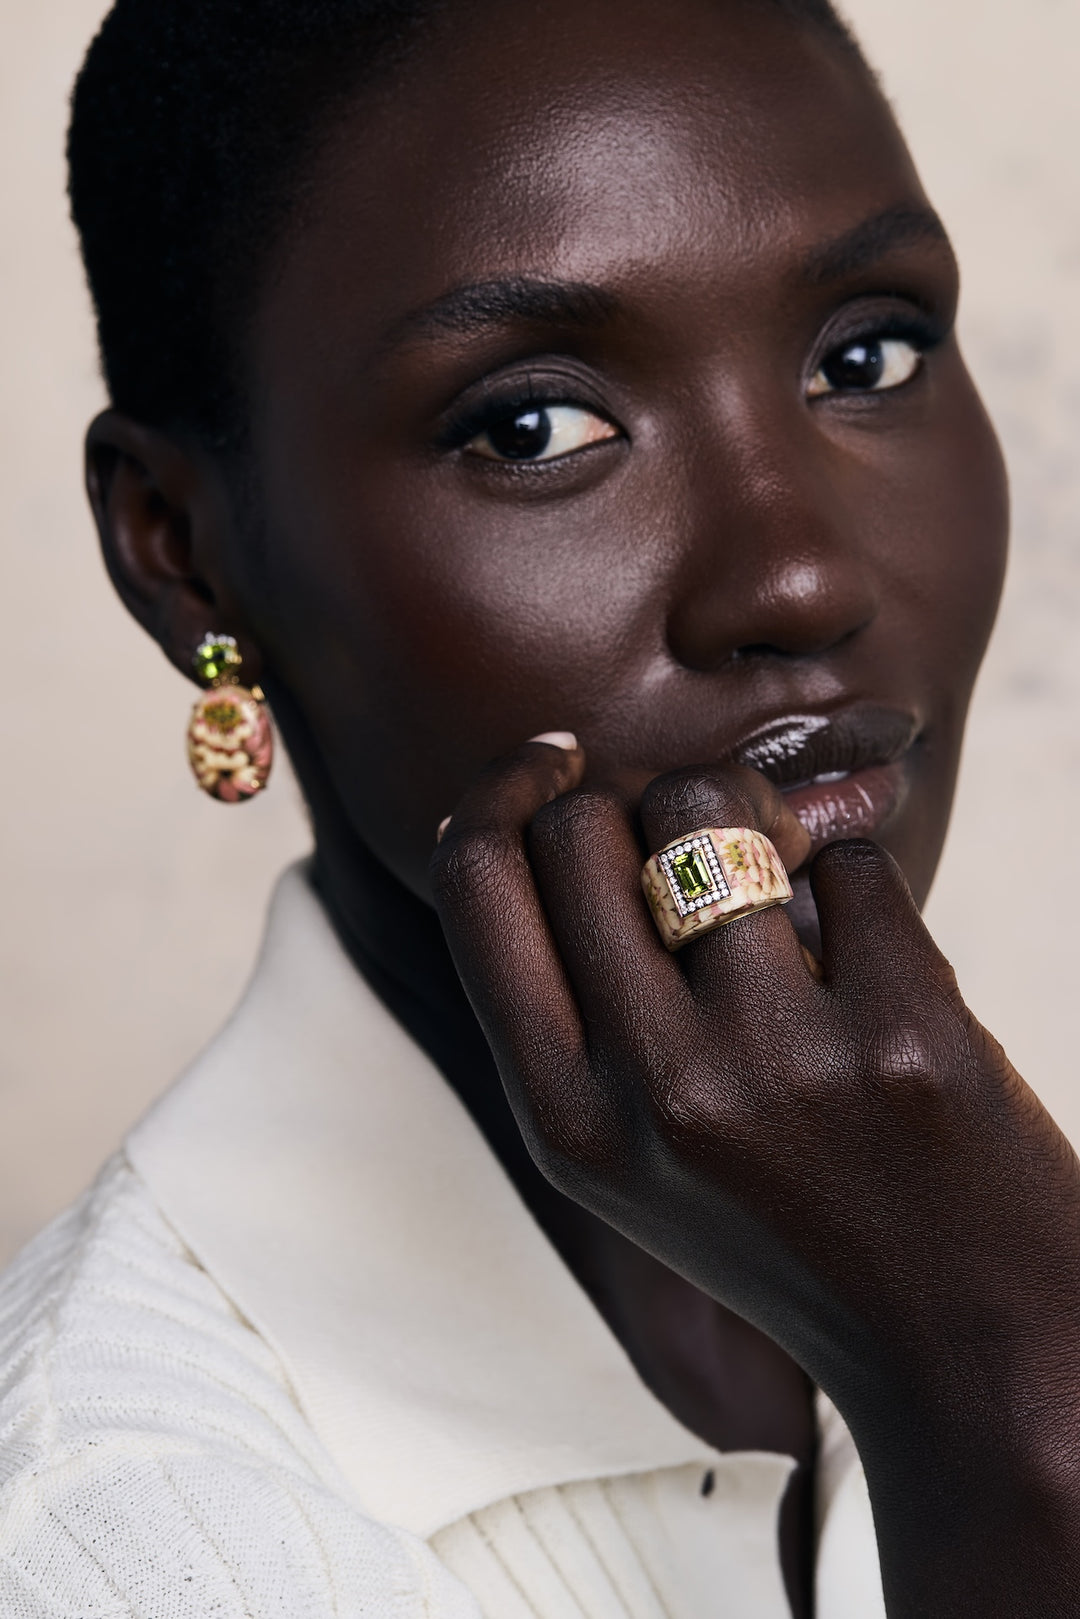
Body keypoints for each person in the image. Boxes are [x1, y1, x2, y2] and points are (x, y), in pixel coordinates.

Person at [1, 0, 1075, 1613]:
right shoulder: (132, 1539)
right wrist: (1000, 1408)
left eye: (865, 356)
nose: (795, 572)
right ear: (183, 547)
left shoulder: (1005, 1219)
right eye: (534, 427)